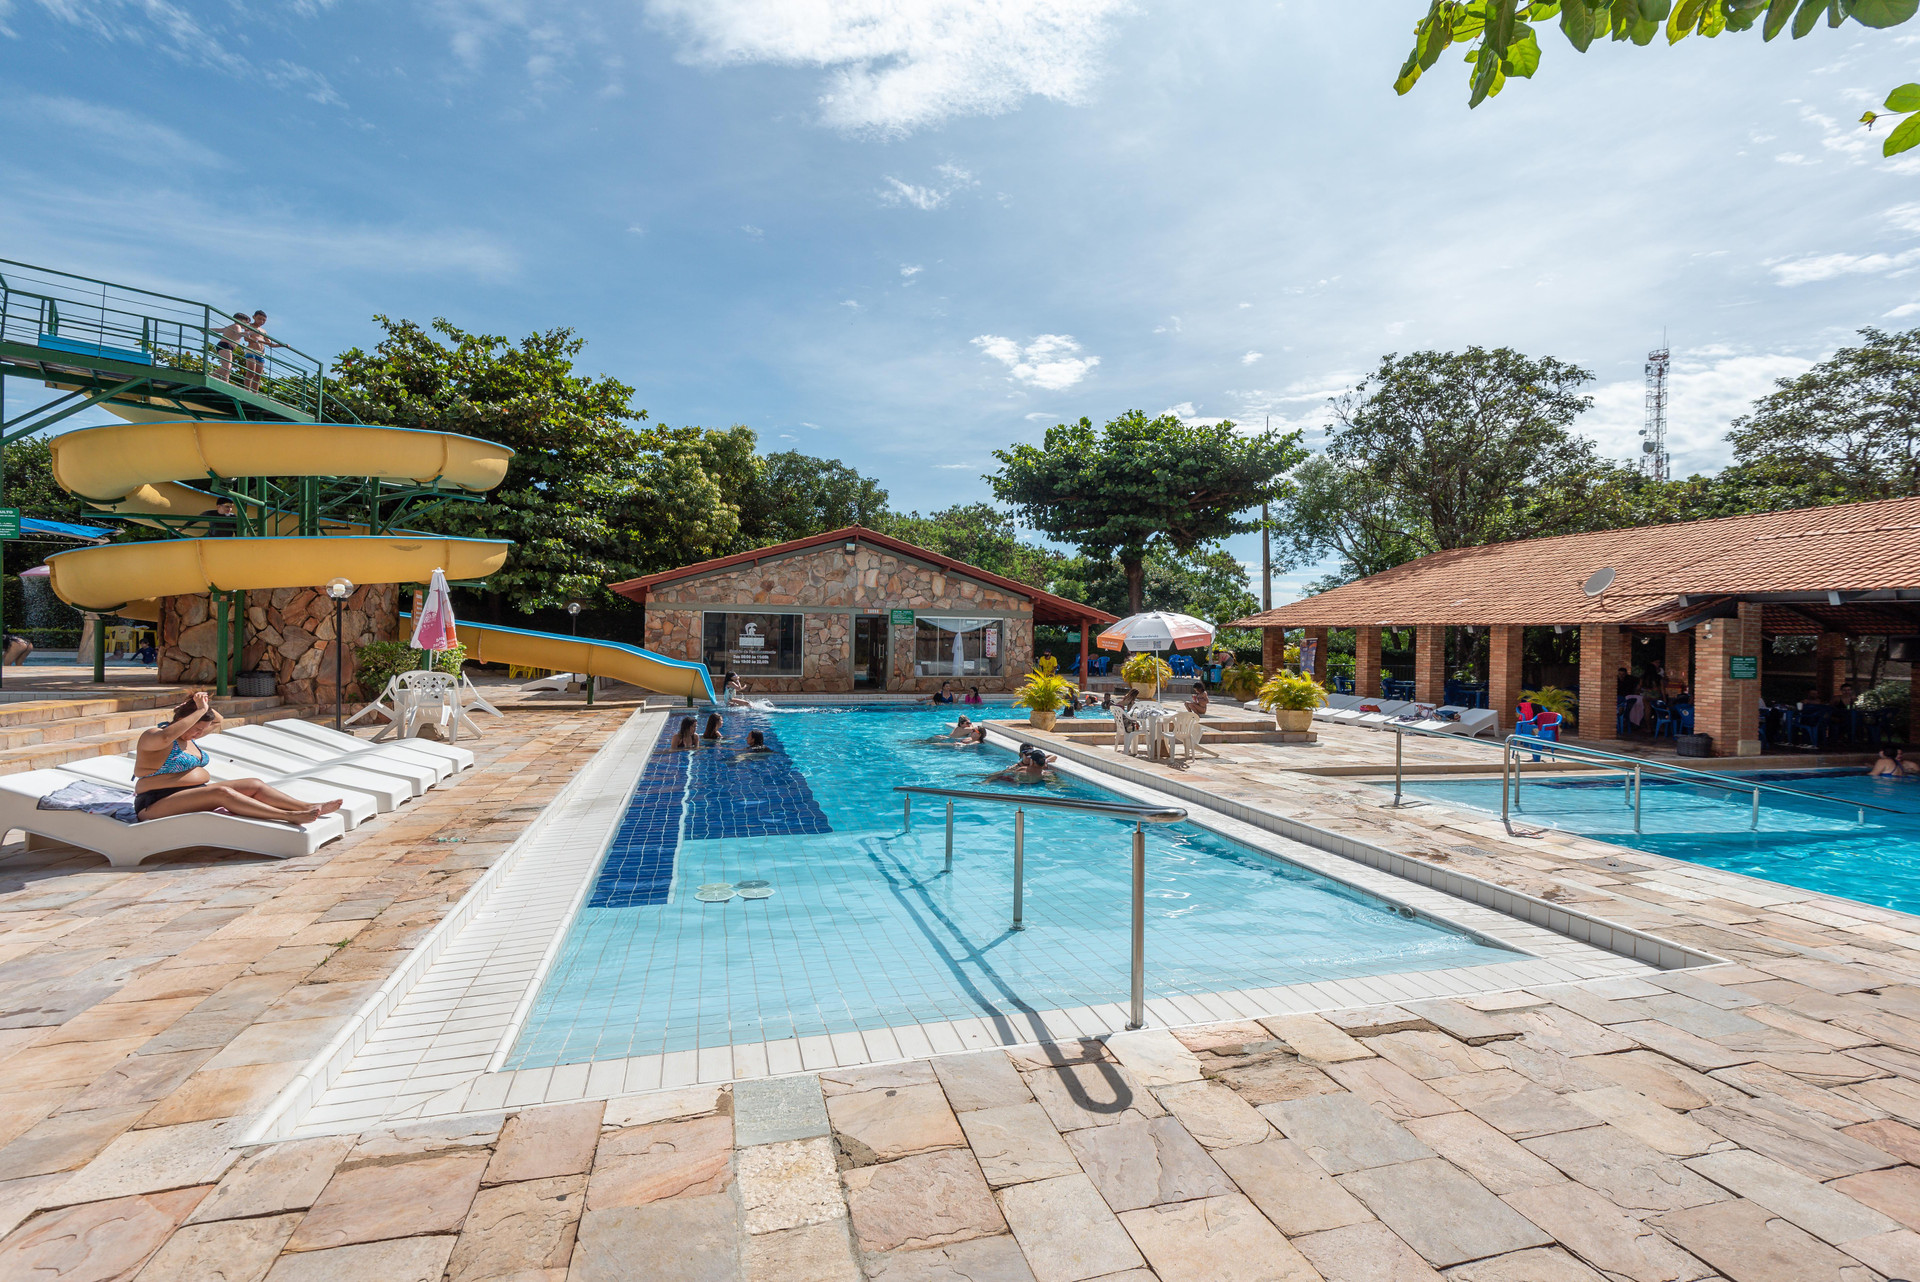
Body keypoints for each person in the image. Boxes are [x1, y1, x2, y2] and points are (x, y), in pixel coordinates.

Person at [132, 691, 340, 824]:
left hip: (192, 793)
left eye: (200, 730)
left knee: (254, 784)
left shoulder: (189, 737)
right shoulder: (154, 737)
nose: (198, 734)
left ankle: (306, 806)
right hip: (155, 802)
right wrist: (199, 710)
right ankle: (288, 816)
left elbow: (218, 720)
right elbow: (168, 735)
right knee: (222, 792)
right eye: (196, 729)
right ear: (183, 721)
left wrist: (201, 704)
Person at [241, 310, 283, 391]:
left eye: (264, 320)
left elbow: (270, 344)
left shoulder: (263, 331)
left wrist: (281, 345)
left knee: (258, 375)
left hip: (261, 353)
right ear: (254, 317)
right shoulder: (249, 326)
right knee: (251, 372)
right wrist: (258, 340)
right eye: (260, 319)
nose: (262, 321)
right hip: (251, 350)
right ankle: (247, 390)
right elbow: (246, 338)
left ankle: (255, 392)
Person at [987, 745, 1055, 784]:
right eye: (1027, 754)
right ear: (1021, 755)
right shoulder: (1046, 774)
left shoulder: (1022, 770)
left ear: (1032, 761)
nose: (1029, 757)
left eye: (1030, 755)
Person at [213, 312, 250, 381]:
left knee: (228, 367)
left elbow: (219, 330)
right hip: (225, 345)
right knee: (227, 367)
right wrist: (248, 333)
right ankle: (212, 377)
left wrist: (209, 329)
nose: (247, 325)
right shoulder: (237, 326)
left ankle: (225, 380)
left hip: (225, 346)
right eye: (246, 322)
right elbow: (239, 333)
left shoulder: (231, 326)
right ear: (241, 321)